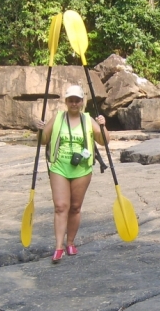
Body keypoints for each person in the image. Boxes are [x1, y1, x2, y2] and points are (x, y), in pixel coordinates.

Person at [33, 85, 107, 262]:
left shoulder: (88, 120)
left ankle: (70, 242)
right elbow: (43, 141)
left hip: (82, 169)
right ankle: (58, 247)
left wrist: (103, 126)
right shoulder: (58, 118)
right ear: (66, 102)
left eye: (77, 100)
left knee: (75, 207)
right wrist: (40, 129)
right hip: (59, 167)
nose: (74, 103)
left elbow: (104, 142)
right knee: (60, 206)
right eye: (71, 100)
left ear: (82, 102)